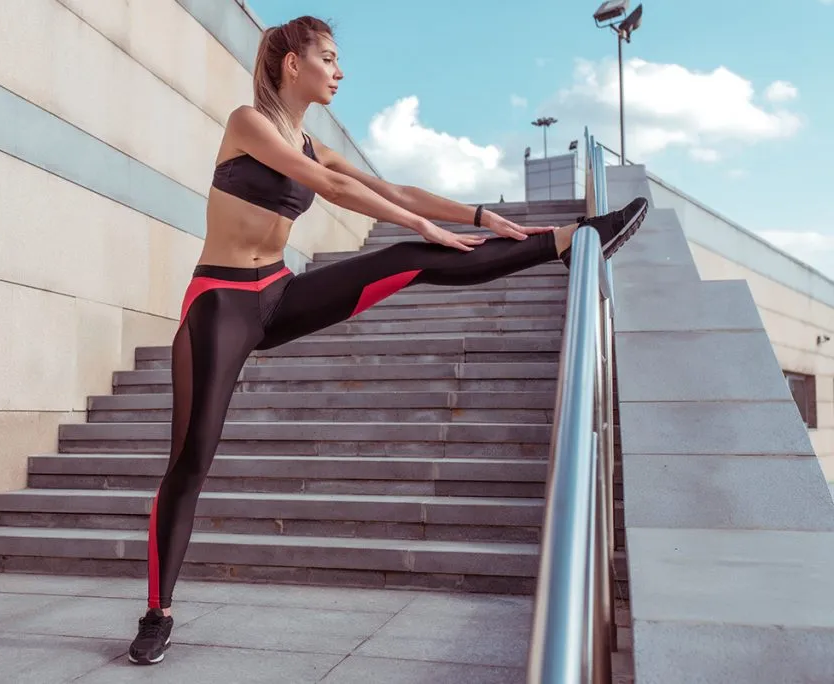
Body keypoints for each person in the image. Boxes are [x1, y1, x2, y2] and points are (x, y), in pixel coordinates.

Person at [127, 15, 647, 666]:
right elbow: (336, 190)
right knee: (190, 462)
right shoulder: (247, 124)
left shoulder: (313, 143)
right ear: (293, 65)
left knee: (411, 256)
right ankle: (158, 611)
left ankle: (563, 242)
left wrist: (480, 216)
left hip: (279, 293)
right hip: (221, 304)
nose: (340, 73)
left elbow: (388, 187)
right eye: (331, 60)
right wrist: (422, 222)